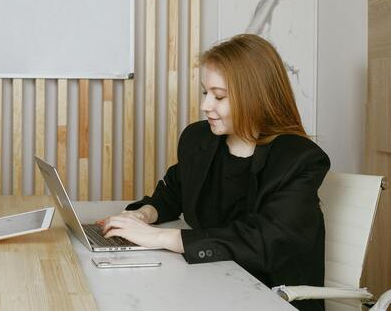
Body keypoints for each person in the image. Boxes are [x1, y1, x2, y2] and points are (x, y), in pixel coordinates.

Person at [99, 34, 329, 311]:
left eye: (219, 96)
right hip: (208, 283)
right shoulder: (200, 139)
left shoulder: (298, 158)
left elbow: (266, 241)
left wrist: (161, 238)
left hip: (270, 297)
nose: (205, 105)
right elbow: (175, 191)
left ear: (256, 97)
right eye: (205, 92)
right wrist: (143, 214)